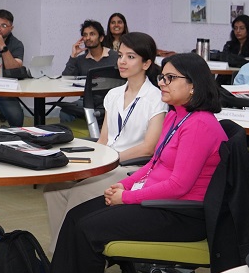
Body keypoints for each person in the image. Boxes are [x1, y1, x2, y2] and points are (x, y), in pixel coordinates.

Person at [24, 53, 226, 273]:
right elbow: (154, 164)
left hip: (181, 214)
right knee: (76, 215)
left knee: (87, 228)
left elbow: (180, 185)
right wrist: (127, 184)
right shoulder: (177, 117)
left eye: (170, 78)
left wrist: (127, 198)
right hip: (161, 202)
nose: (163, 84)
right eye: (162, 77)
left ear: (194, 86)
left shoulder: (200, 125)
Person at [42, 31, 168, 243]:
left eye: (130, 57)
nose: (122, 62)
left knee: (79, 193)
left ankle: (65, 257)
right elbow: (103, 140)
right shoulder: (114, 95)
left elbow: (149, 148)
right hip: (107, 162)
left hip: (133, 167)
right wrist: (89, 163)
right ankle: (60, 253)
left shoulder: (156, 98)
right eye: (120, 56)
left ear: (146, 64)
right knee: (54, 188)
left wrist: (111, 159)